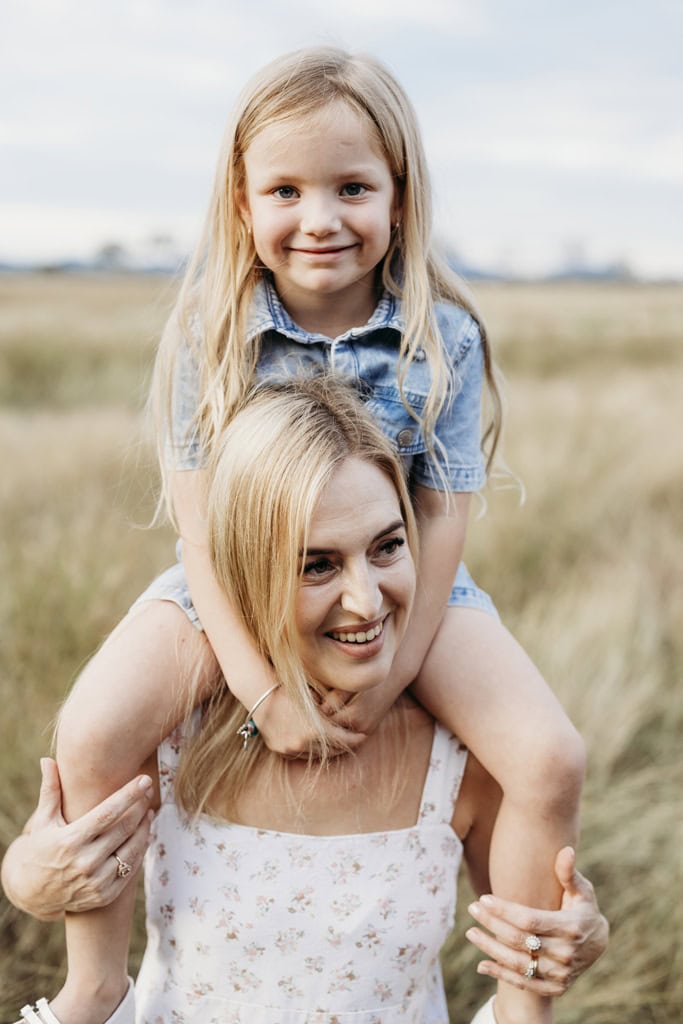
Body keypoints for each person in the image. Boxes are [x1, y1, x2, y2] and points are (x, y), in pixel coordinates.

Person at [21, 47, 585, 1024]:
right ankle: (95, 979)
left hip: (412, 580)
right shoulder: (214, 328)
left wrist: (401, 664)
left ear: (398, 199)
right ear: (242, 205)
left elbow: (444, 510)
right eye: (284, 188)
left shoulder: (438, 334)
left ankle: (521, 1003)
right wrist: (260, 688)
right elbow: (198, 527)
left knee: (547, 757)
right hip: (227, 582)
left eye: (351, 187)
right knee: (92, 728)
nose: (319, 218)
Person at [8, 377, 607, 1023]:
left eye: (387, 546)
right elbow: (84, 973)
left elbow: (526, 988)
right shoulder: (171, 741)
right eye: (315, 565)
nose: (367, 601)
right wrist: (23, 878)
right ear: (242, 573)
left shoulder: (465, 754)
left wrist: (567, 944)